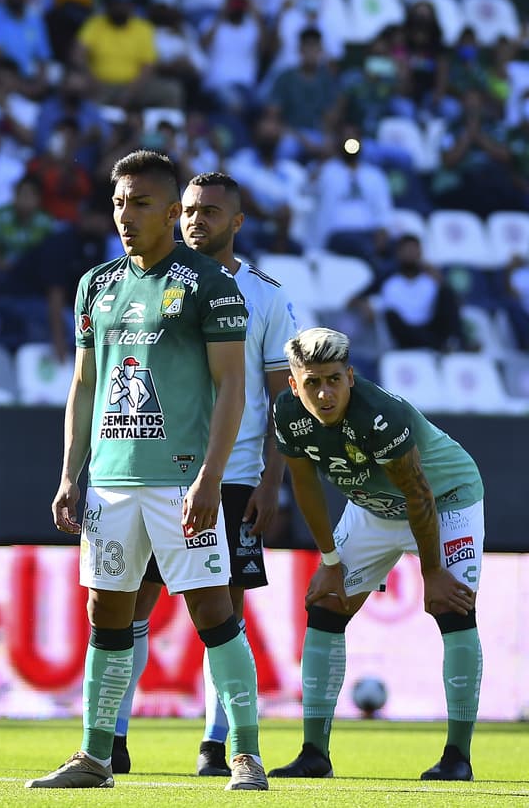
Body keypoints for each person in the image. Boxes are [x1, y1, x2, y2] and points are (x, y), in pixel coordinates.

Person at [26, 150, 267, 791]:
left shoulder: (210, 285)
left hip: (180, 480)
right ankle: (95, 755)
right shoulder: (95, 284)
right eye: (117, 203)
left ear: (170, 212)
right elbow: (84, 385)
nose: (125, 216)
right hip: (110, 481)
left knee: (213, 609)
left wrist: (210, 478)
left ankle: (245, 753)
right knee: (107, 612)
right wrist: (70, 473)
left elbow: (233, 388)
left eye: (139, 203)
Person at [109, 173, 298, 776]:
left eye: (211, 212)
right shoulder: (152, 283)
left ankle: (218, 743)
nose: (196, 221)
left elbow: (282, 399)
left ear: (236, 222)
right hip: (156, 470)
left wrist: (271, 480)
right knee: (133, 604)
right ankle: (113, 736)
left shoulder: (265, 296)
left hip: (234, 475)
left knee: (222, 611)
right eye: (189, 210)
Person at [268, 327, 483, 782]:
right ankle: (314, 754)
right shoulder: (286, 413)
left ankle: (457, 758)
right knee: (326, 604)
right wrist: (329, 562)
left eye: (333, 380)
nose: (324, 393)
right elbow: (305, 485)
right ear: (294, 385)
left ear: (350, 376)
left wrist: (432, 572)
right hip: (373, 507)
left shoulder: (380, 414)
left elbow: (419, 494)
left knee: (454, 607)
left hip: (446, 501)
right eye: (312, 382)